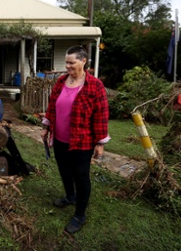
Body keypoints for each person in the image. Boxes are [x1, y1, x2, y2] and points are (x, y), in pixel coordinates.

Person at [40, 45, 110, 234]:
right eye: (67, 62)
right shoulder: (61, 81)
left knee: (81, 176)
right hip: (60, 138)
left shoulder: (95, 86)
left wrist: (100, 143)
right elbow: (52, 106)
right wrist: (46, 127)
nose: (68, 66)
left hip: (82, 141)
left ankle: (79, 215)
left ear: (84, 61)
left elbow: (101, 116)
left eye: (72, 62)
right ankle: (70, 196)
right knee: (64, 170)